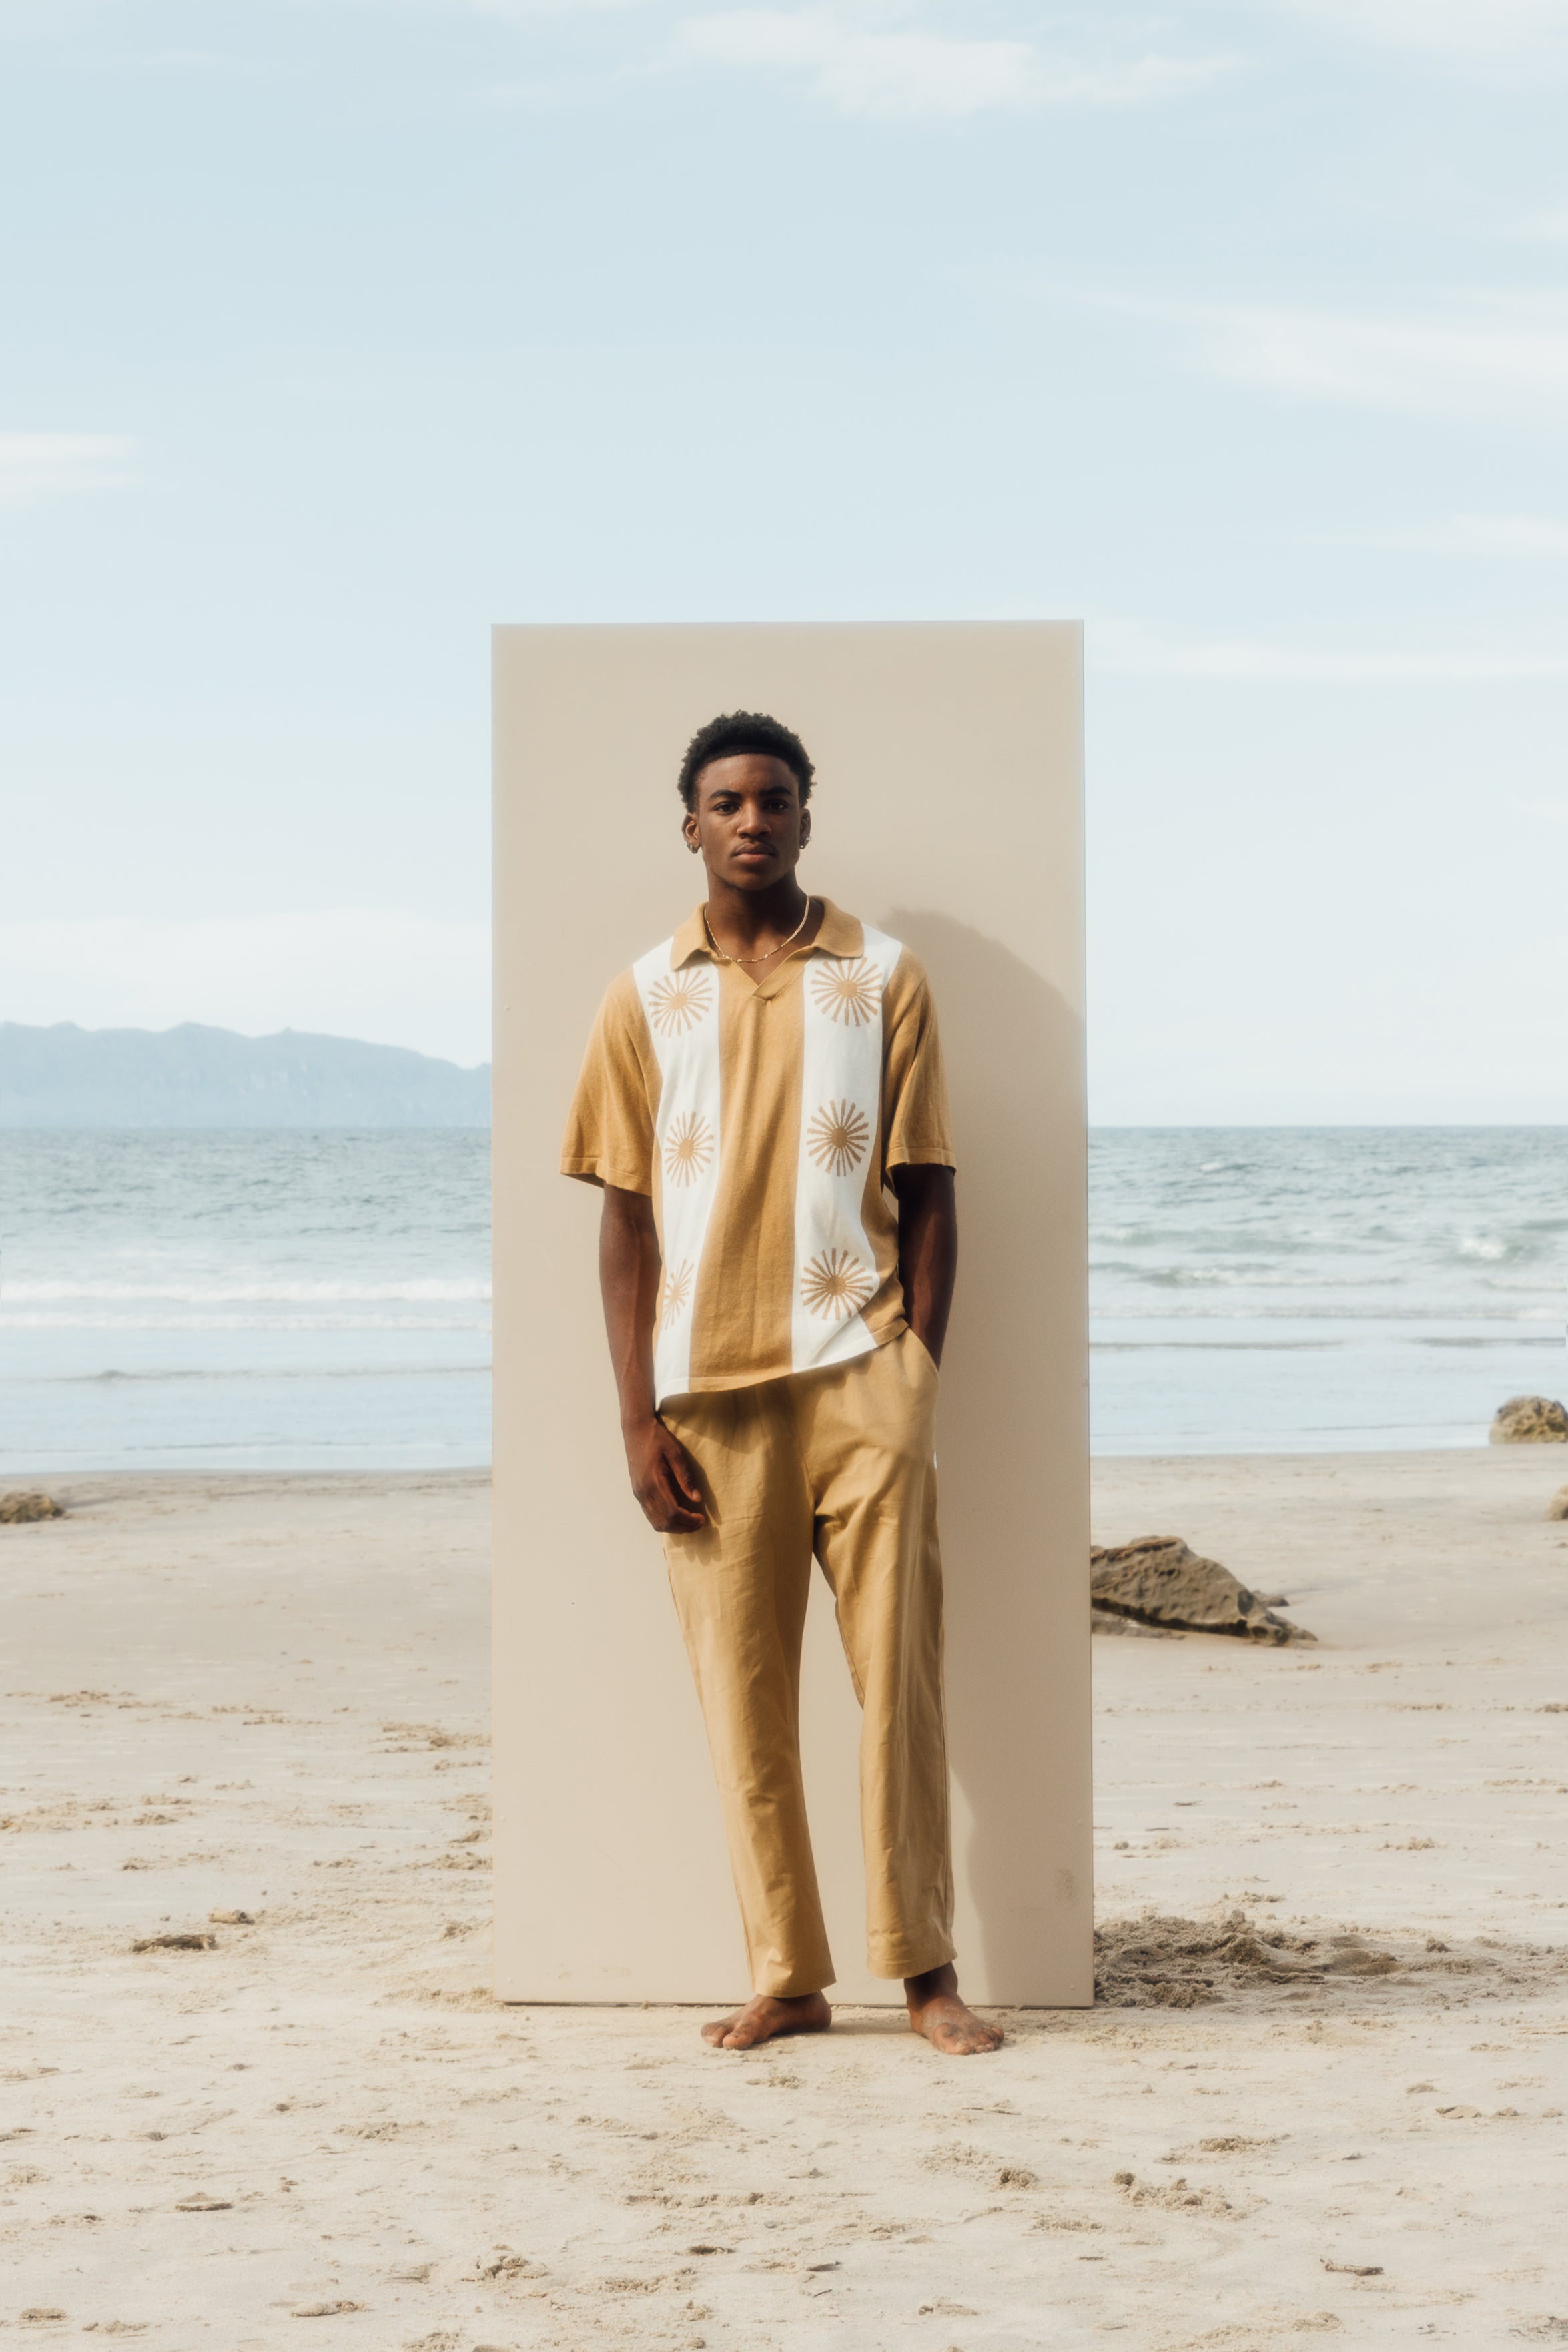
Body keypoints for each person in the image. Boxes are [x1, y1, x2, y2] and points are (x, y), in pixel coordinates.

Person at [561, 709, 1001, 2058]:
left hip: (860, 1374)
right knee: (742, 1701)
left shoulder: (882, 977)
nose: (750, 819)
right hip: (704, 1402)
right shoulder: (644, 993)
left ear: (807, 816)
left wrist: (914, 1363)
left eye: (773, 797)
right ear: (687, 824)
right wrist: (634, 1415)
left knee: (897, 1689)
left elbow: (927, 1188)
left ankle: (924, 1970)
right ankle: (789, 1973)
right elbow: (625, 1220)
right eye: (724, 800)